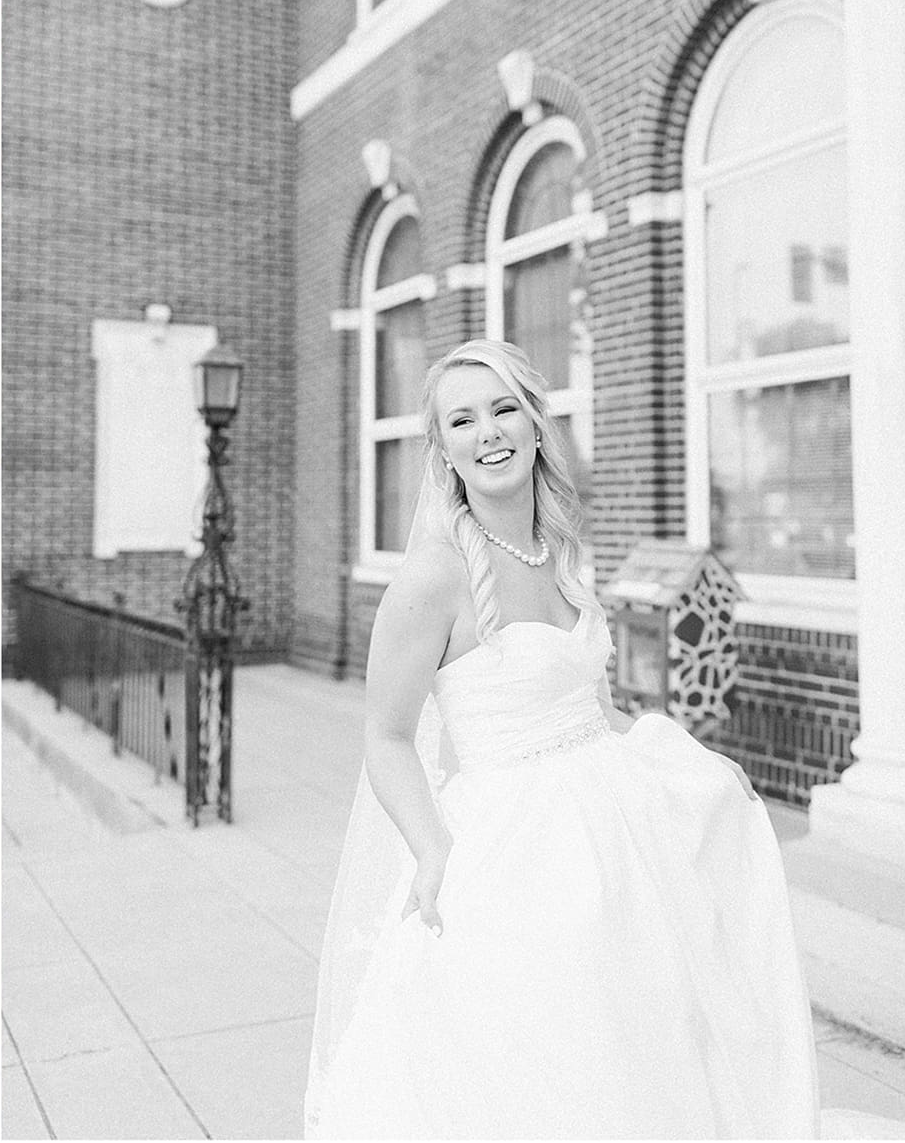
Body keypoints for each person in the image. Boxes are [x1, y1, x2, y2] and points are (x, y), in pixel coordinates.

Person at [303, 340, 819, 1139]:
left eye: (505, 407)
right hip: (509, 843)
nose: (489, 431)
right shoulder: (430, 580)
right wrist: (434, 849)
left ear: (537, 425)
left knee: (644, 1025)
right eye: (463, 419)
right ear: (444, 452)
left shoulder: (563, 552)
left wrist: (699, 765)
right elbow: (387, 734)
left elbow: (598, 708)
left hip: (611, 829)